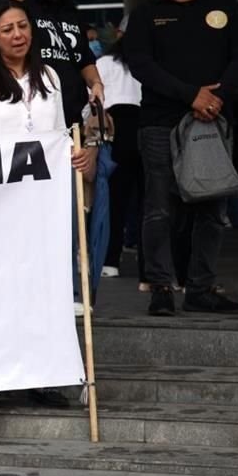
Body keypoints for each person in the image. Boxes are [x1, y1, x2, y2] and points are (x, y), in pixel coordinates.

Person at [0, 0, 94, 409]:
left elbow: (60, 134)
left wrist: (77, 155)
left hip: (42, 205)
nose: (18, 35)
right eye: (8, 28)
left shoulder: (49, 76)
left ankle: (43, 376)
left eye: (23, 26)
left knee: (43, 289)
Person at [125, 0, 238, 317]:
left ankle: (200, 287)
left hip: (212, 123)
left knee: (212, 207)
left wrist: (215, 98)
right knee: (159, 208)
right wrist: (190, 96)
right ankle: (162, 286)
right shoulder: (145, 16)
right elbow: (142, 65)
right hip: (160, 124)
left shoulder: (223, 7)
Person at [10, 0, 104, 317]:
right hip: (36, 132)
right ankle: (35, 291)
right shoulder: (24, 8)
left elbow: (82, 58)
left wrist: (97, 85)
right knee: (35, 216)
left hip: (74, 129)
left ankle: (75, 288)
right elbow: (1, 39)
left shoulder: (70, 13)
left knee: (76, 212)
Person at [96, 16, 145, 287]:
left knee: (114, 201)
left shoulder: (103, 64)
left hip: (115, 134)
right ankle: (148, 267)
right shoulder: (147, 64)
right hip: (145, 131)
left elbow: (93, 101)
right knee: (147, 202)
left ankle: (110, 261)